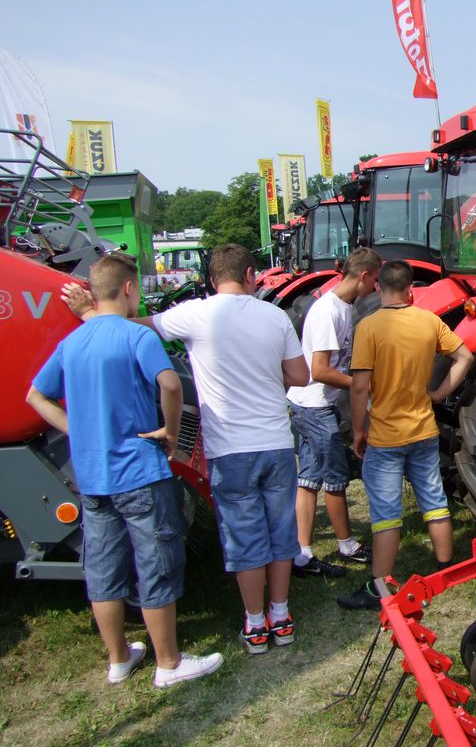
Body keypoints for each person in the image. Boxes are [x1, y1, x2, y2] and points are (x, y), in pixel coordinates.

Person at [64, 244, 310, 655]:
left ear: (213, 280)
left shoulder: (196, 312)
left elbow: (131, 327)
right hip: (275, 444)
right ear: (251, 275)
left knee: (245, 537)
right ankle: (281, 616)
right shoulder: (275, 315)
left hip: (229, 448)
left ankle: (254, 625)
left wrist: (89, 312)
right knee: (280, 533)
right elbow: (299, 375)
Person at [29, 254, 223, 687]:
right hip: (139, 473)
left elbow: (36, 397)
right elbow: (170, 384)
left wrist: (77, 431)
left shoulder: (73, 341)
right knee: (155, 564)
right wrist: (170, 431)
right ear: (130, 289)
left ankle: (119, 658)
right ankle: (169, 663)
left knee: (103, 568)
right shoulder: (135, 336)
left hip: (93, 477)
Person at [338, 260, 474, 609]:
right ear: (412, 289)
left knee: (386, 514)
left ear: (379, 288)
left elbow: (359, 388)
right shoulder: (429, 321)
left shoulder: (369, 327)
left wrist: (357, 430)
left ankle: (379, 588)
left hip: (385, 437)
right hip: (424, 431)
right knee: (434, 500)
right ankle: (444, 568)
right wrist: (440, 393)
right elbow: (464, 357)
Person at [287, 248, 381, 578]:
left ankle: (302, 553)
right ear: (364, 276)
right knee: (337, 480)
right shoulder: (328, 311)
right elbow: (320, 370)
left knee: (308, 479)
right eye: (375, 281)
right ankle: (347, 545)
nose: (376, 288)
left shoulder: (342, 306)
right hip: (313, 405)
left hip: (309, 403)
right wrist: (362, 385)